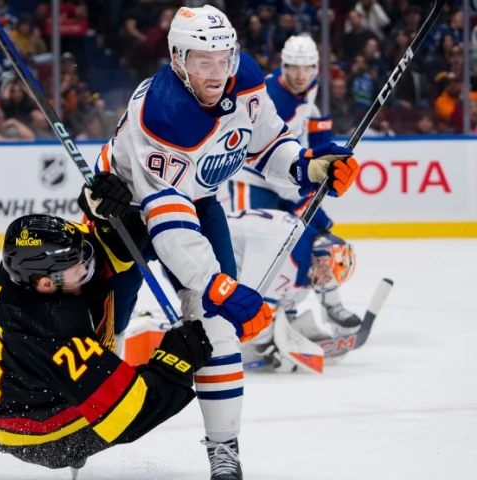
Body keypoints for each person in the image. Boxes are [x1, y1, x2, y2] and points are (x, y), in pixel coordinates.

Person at [82, 6, 360, 479]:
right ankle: (78, 425)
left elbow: (268, 144)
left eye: (223, 57)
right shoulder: (164, 113)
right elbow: (166, 219)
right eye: (202, 61)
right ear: (176, 59)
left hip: (199, 200)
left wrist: (309, 168)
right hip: (125, 211)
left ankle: (223, 448)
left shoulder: (246, 77)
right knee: (106, 330)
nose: (217, 72)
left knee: (218, 328)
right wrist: (216, 284)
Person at [0, 209, 212, 478]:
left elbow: (99, 247)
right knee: (91, 417)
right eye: (76, 267)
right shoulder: (57, 336)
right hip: (41, 436)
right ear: (46, 284)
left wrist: (103, 209)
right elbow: (131, 412)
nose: (85, 267)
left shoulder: (21, 271)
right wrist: (176, 359)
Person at [226, 34, 361, 334]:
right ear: (282, 65)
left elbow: (317, 149)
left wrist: (323, 172)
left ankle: (320, 305)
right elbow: (255, 152)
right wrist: (302, 191)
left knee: (319, 242)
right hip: (254, 184)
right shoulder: (268, 95)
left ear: (316, 68)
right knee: (262, 251)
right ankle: (248, 318)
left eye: (307, 67)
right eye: (293, 67)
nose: (300, 75)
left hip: (289, 184)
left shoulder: (312, 97)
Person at [226, 208, 358, 369]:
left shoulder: (304, 243)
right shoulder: (283, 256)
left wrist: (285, 324)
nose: (325, 281)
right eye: (326, 273)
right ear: (319, 259)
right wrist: (268, 343)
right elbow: (252, 307)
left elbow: (285, 289)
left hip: (235, 238)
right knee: (238, 301)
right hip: (212, 243)